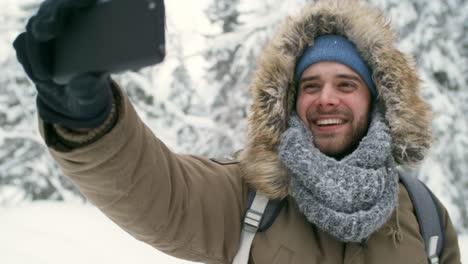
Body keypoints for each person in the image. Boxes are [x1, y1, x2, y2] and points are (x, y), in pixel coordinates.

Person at [13, 0, 461, 263]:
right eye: (310, 85)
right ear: (290, 102)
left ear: (375, 101)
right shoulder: (247, 196)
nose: (327, 98)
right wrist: (83, 112)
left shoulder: (425, 216)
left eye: (346, 84)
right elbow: (154, 189)